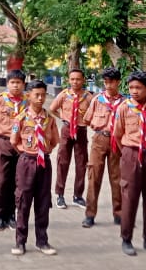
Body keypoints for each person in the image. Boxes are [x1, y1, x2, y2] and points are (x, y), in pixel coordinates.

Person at [114, 71, 146, 256]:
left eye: (138, 87)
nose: (134, 91)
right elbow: (118, 134)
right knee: (129, 197)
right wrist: (128, 153)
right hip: (131, 153)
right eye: (131, 88)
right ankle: (126, 239)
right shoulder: (124, 107)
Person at [11, 80, 59, 256]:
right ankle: (20, 242)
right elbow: (14, 141)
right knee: (23, 202)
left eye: (43, 95)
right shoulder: (21, 118)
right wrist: (27, 153)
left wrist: (44, 152)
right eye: (36, 95)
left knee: (43, 202)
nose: (40, 98)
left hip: (44, 163)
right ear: (28, 96)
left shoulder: (50, 119)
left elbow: (54, 141)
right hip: (27, 162)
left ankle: (42, 241)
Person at [82, 66, 125, 228]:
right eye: (106, 82)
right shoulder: (97, 100)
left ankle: (119, 214)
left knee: (117, 178)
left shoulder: (124, 103)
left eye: (111, 82)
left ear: (118, 82)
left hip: (117, 142)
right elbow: (87, 119)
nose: (108, 85)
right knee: (94, 176)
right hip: (99, 139)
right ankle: (90, 215)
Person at [0, 69, 27, 231]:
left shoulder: (28, 102)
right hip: (3, 143)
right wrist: (1, 134)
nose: (15, 86)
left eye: (19, 83)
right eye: (12, 82)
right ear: (7, 84)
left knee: (17, 181)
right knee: (0, 180)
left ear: (24, 84)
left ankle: (11, 215)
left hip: (21, 145)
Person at [49, 68, 94, 209]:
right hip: (67, 130)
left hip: (81, 131)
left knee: (81, 163)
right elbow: (52, 108)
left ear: (83, 80)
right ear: (69, 80)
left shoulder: (88, 97)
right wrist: (63, 118)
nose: (75, 82)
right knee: (63, 162)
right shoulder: (64, 95)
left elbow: (94, 112)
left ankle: (78, 196)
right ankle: (60, 195)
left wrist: (87, 121)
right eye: (72, 79)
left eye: (78, 79)